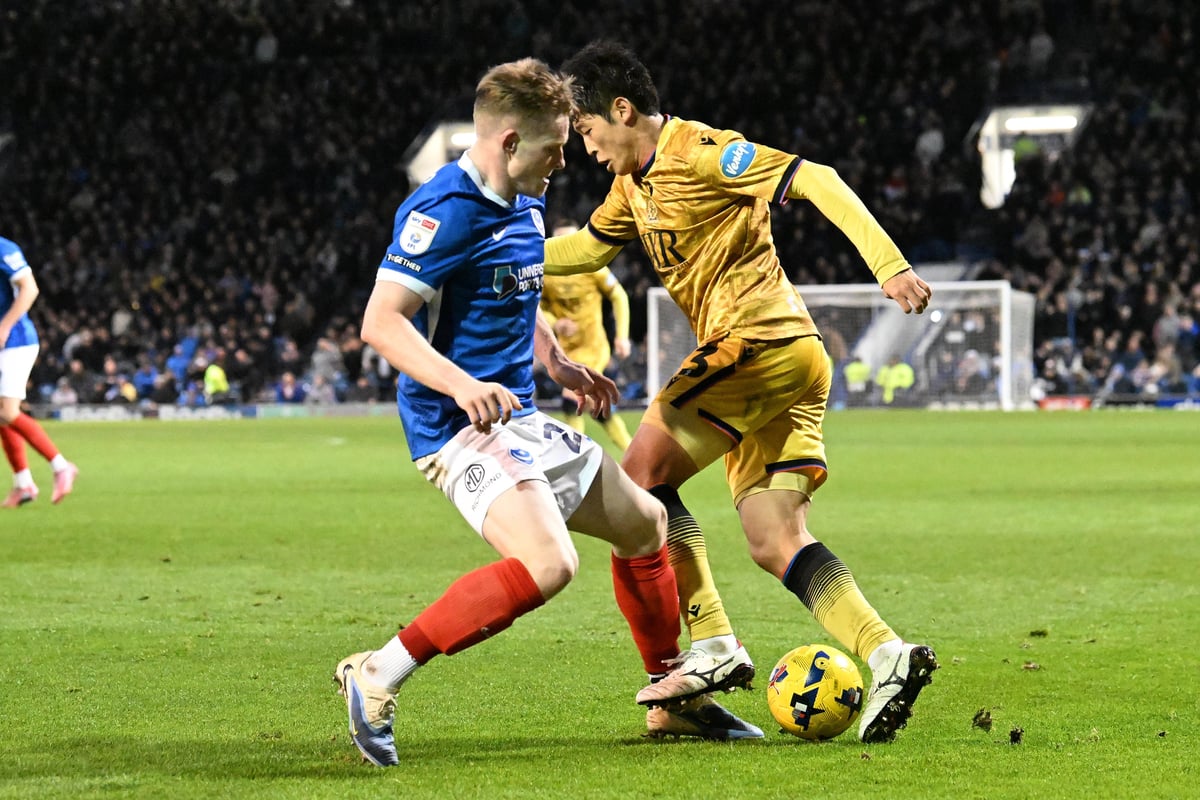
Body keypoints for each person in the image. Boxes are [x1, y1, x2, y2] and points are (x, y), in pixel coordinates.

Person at [332, 58, 739, 768]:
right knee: (550, 564)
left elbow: (513, 294)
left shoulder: (525, 197)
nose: (566, 157)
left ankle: (671, 698)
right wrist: (461, 385)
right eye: (554, 145)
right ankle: (377, 674)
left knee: (645, 524)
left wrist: (556, 361)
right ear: (508, 141)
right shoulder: (442, 211)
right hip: (455, 429)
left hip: (514, 416)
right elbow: (382, 323)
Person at [546, 41, 938, 743]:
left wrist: (889, 265)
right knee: (775, 537)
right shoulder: (630, 187)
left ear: (622, 109)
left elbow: (815, 178)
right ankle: (887, 655)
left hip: (757, 344)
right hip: (788, 362)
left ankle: (714, 642)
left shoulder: (700, 152)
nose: (586, 147)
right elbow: (586, 251)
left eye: (585, 129)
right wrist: (495, 253)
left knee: (636, 488)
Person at [539, 218, 634, 450]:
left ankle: (576, 459)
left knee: (571, 400)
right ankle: (634, 458)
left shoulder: (593, 267)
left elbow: (619, 295)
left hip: (594, 347)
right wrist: (556, 323)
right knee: (598, 408)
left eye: (572, 240)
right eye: (561, 241)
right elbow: (535, 306)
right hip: (565, 351)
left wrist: (622, 335)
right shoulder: (546, 272)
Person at [0, 235, 79, 508]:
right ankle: (23, 485)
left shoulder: (4, 248)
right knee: (1, 416)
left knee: (7, 412)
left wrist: (5, 326)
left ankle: (61, 466)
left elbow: (30, 289)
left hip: (16, 341)